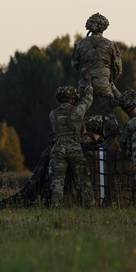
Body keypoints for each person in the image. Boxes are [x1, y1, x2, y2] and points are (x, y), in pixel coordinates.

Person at [72, 13, 122, 140]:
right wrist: (111, 80)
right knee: (108, 112)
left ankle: (78, 139)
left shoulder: (81, 44)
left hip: (85, 83)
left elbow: (75, 64)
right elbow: (117, 66)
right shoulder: (110, 44)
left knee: (82, 112)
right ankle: (113, 141)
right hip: (103, 83)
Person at [49, 78, 94, 207]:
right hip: (74, 148)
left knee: (58, 180)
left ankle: (56, 206)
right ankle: (89, 205)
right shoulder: (76, 111)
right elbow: (88, 100)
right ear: (73, 99)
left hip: (58, 149)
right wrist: (89, 87)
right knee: (83, 178)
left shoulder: (53, 114)